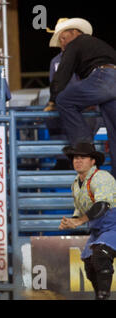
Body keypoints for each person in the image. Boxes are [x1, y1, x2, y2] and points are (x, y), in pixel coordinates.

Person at [46, 18, 116, 178]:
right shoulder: (97, 45)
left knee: (64, 100)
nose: (62, 44)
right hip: (110, 83)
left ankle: (84, 145)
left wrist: (52, 100)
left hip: (103, 77)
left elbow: (62, 74)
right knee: (114, 132)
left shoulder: (75, 44)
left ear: (75, 33)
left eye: (63, 38)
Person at [58, 142, 116, 300]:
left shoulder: (101, 177)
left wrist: (79, 221)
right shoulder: (76, 184)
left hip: (113, 225)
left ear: (93, 161)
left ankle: (103, 297)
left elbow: (103, 205)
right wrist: (71, 221)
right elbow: (80, 210)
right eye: (76, 157)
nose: (78, 160)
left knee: (100, 256)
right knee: (90, 264)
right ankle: (100, 296)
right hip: (99, 229)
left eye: (83, 157)